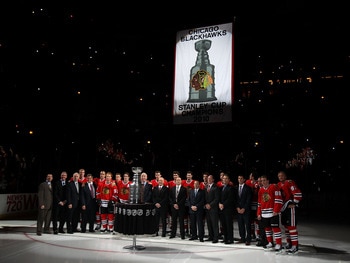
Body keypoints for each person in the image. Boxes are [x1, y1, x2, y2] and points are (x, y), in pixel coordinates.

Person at [277, 170, 302, 254]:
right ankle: (289, 243)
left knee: (291, 227)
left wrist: (294, 203)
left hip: (290, 208)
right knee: (286, 226)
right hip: (283, 208)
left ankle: (295, 246)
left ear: (285, 176)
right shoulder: (279, 184)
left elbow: (297, 193)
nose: (280, 177)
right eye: (279, 176)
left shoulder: (290, 183)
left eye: (282, 175)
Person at [257, 174, 283, 253]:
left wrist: (276, 210)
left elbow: (278, 199)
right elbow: (259, 203)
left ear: (268, 180)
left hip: (273, 212)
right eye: (262, 181)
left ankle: (279, 244)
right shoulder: (261, 190)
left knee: (275, 228)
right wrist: (259, 213)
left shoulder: (274, 187)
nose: (263, 182)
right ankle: (270, 242)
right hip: (264, 213)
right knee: (267, 229)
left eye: (264, 180)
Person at [218, 173, 235, 244]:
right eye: (223, 178)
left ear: (229, 180)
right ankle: (225, 238)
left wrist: (223, 204)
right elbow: (219, 197)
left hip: (228, 209)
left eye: (226, 178)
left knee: (229, 224)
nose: (224, 180)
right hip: (222, 209)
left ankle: (230, 239)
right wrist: (219, 203)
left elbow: (230, 199)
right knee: (223, 224)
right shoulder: (221, 188)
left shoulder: (231, 188)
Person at [235, 174, 252, 245]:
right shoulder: (235, 188)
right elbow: (235, 199)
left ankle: (248, 239)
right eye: (239, 178)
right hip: (238, 209)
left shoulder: (248, 188)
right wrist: (237, 208)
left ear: (244, 179)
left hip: (246, 210)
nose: (240, 180)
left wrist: (244, 208)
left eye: (241, 178)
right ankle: (242, 238)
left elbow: (249, 200)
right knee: (240, 224)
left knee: (247, 225)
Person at [204, 174, 220, 243]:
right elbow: (204, 197)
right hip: (207, 208)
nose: (209, 180)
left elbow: (217, 199)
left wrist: (210, 205)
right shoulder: (206, 187)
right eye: (208, 178)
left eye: (210, 178)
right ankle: (210, 236)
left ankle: (216, 237)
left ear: (213, 180)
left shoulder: (216, 187)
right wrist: (206, 204)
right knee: (209, 223)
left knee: (214, 223)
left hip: (213, 208)